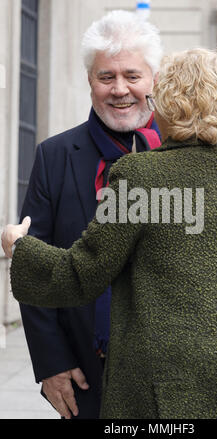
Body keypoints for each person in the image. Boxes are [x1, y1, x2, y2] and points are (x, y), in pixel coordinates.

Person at [3, 47, 217, 419]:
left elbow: (82, 273)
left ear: (168, 104)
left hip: (172, 393)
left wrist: (20, 247)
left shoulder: (140, 175)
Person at [16, 10, 162, 419]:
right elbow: (33, 266)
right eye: (106, 77)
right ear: (89, 81)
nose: (120, 90)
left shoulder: (183, 155)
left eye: (132, 76)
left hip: (170, 375)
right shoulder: (54, 156)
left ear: (153, 79)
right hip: (85, 373)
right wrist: (51, 363)